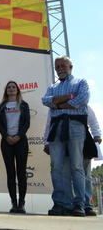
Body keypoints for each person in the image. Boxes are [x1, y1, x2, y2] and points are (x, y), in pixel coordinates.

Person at [42, 55, 90, 216]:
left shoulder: (80, 82)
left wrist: (58, 104)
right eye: (58, 67)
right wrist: (68, 97)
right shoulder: (52, 86)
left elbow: (82, 99)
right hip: (56, 127)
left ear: (71, 67)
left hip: (75, 125)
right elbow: (45, 100)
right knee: (56, 166)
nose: (60, 69)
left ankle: (80, 204)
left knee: (76, 165)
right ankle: (61, 203)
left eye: (63, 66)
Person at [43, 105, 101, 216]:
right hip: (61, 140)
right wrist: (46, 142)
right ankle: (68, 204)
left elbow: (93, 122)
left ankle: (86, 205)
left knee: (85, 175)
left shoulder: (83, 106)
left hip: (82, 142)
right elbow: (48, 125)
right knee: (65, 175)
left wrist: (97, 135)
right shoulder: (54, 108)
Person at [0, 81, 30, 213]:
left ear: (17, 90)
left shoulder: (24, 105)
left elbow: (27, 123)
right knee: (10, 173)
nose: (11, 89)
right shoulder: (2, 106)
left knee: (21, 173)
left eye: (13, 87)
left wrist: (18, 136)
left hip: (21, 141)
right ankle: (13, 203)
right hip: (6, 142)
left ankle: (21, 203)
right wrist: (7, 136)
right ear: (6, 91)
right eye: (9, 87)